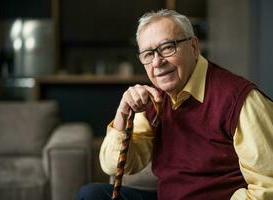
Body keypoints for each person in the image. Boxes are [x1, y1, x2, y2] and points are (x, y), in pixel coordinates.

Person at [76, 9, 273, 200]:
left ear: (194, 47)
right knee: (91, 195)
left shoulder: (241, 100)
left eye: (168, 47)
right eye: (148, 54)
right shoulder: (155, 99)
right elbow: (117, 165)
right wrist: (123, 113)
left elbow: (268, 187)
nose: (157, 62)